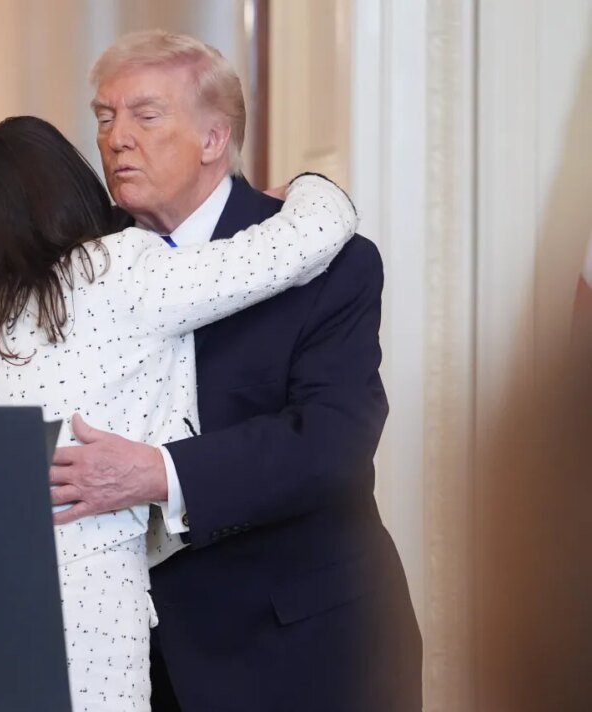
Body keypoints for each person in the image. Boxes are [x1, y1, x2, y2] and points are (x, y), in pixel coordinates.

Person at [0, 115, 357, 712]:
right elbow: (305, 242)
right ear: (67, 187)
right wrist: (308, 186)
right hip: (92, 601)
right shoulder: (115, 270)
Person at [49, 31, 423, 711]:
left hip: (300, 649)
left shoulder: (327, 260)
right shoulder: (75, 269)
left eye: (146, 115)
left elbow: (331, 443)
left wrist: (158, 472)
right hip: (133, 663)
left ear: (214, 139)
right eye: (105, 117)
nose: (116, 138)